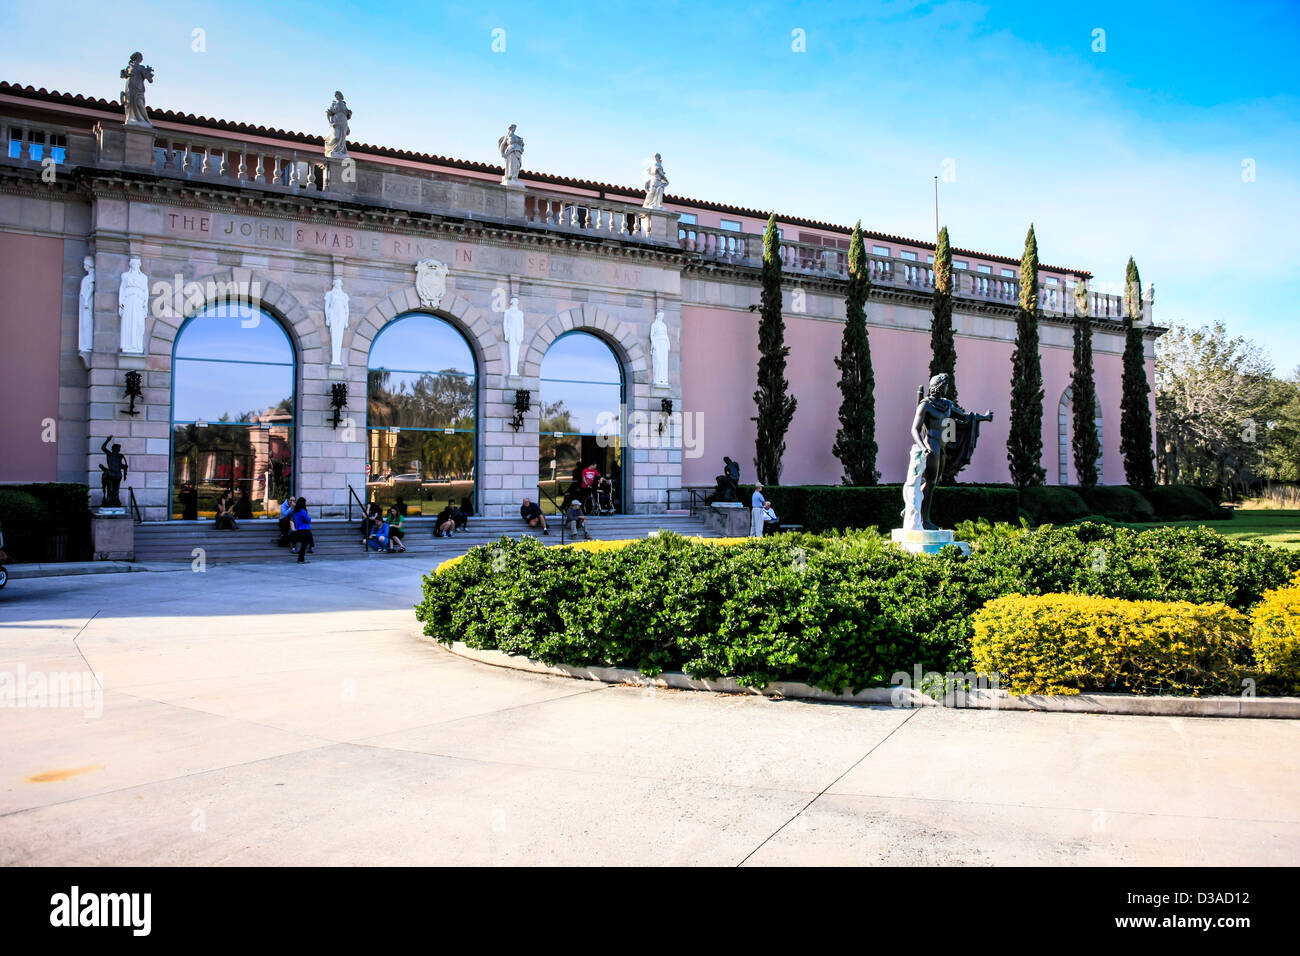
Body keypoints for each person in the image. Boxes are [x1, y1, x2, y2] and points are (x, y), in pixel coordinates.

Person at [291, 497, 314, 562]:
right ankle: (301, 559)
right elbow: (308, 520)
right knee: (304, 545)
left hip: (298, 529)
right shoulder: (303, 511)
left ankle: (300, 559)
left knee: (303, 545)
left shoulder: (295, 511)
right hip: (305, 529)